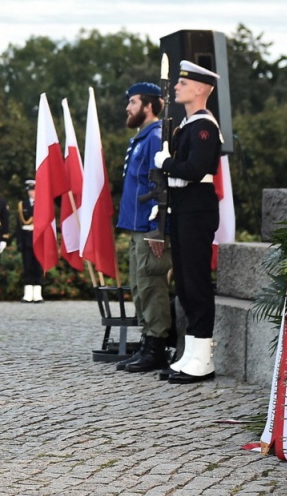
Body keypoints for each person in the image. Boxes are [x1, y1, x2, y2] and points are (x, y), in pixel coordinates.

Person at [154, 60, 223, 384]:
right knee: (184, 283)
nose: (178, 87)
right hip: (184, 207)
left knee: (195, 282)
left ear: (200, 89)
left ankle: (204, 358)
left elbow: (195, 169)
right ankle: (192, 354)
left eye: (184, 83)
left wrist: (166, 163)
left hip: (197, 208)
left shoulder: (204, 126)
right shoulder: (188, 125)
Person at [115, 82, 173, 374]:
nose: (128, 107)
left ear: (149, 105)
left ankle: (157, 346)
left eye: (133, 102)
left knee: (152, 284)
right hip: (136, 225)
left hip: (148, 227)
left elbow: (158, 185)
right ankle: (147, 340)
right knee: (139, 286)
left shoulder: (155, 136)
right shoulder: (141, 137)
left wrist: (156, 228)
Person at [16, 179, 43, 303]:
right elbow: (19, 225)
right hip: (26, 238)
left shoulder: (43, 204)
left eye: (35, 190)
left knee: (38, 267)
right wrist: (19, 241)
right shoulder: (23, 205)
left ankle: (37, 293)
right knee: (27, 266)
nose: (33, 192)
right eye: (31, 190)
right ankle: (28, 293)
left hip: (39, 239)